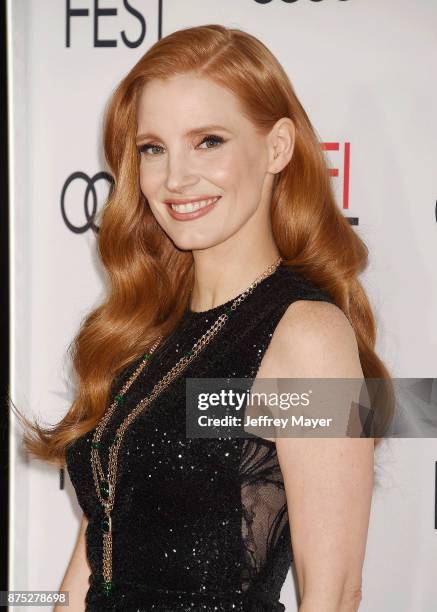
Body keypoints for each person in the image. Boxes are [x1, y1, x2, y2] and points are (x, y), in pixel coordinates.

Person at [15, 24, 393, 612]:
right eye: (153, 148)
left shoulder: (308, 337)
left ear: (278, 147)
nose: (175, 178)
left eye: (208, 141)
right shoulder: (139, 335)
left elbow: (335, 594)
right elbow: (87, 576)